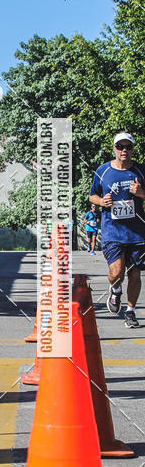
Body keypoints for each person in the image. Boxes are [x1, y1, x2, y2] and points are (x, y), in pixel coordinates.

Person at [89, 132, 145, 328]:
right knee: (116, 272)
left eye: (128, 147)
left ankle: (130, 311)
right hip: (112, 231)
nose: (124, 150)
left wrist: (141, 193)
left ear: (132, 149)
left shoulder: (140, 170)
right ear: (114, 148)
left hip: (137, 232)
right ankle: (115, 290)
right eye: (120, 146)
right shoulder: (103, 171)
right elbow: (91, 196)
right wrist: (102, 201)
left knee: (135, 273)